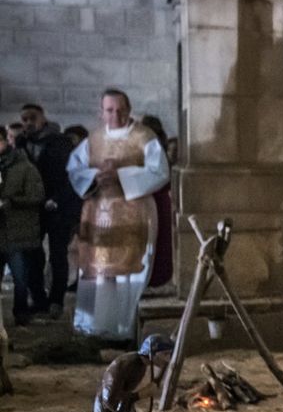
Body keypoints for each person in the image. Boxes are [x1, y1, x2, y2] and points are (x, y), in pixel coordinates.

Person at [66, 91, 169, 340]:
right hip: (97, 212)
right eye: (109, 110)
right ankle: (93, 326)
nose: (115, 115)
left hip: (133, 213)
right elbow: (74, 167)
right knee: (95, 270)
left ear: (129, 109)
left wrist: (122, 176)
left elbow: (160, 171)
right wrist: (94, 177)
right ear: (101, 112)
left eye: (121, 109)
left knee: (127, 272)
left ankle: (123, 329)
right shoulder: (94, 139)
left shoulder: (144, 137)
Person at [19, 104, 79, 319]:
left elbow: (73, 176)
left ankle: (56, 300)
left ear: (43, 118)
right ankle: (39, 299)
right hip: (33, 208)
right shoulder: (21, 144)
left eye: (32, 118)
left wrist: (57, 199)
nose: (27, 123)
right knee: (33, 254)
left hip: (58, 208)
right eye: (24, 119)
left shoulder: (60, 143)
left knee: (58, 254)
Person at [0, 130, 46, 328]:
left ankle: (21, 312)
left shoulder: (24, 167)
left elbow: (37, 195)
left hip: (17, 233)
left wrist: (13, 202)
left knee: (20, 278)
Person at [137, 115, 175, 291]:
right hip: (156, 199)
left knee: (155, 242)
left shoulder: (153, 148)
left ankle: (154, 278)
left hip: (154, 200)